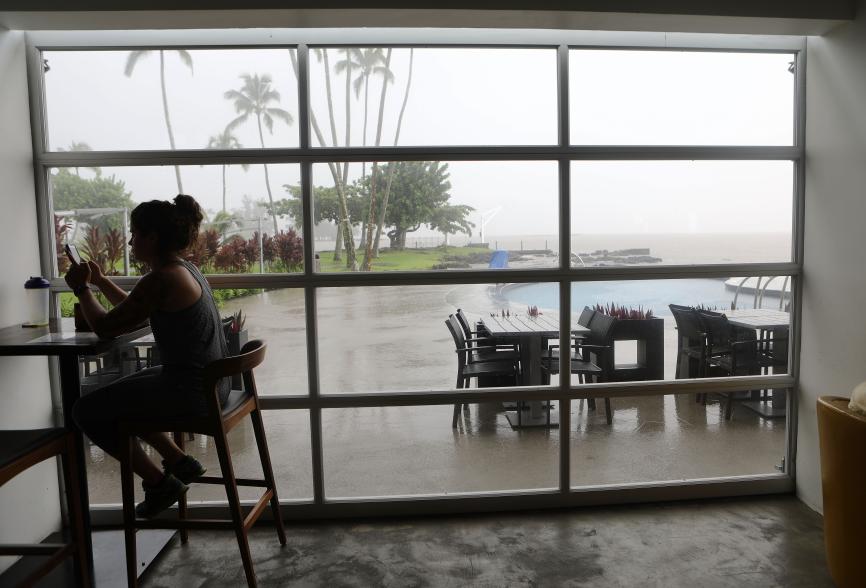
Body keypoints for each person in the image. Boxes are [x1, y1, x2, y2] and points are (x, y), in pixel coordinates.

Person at [67, 194, 230, 518]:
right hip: (210, 385)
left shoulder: (162, 278)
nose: (130, 241)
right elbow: (138, 312)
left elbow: (105, 327)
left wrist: (82, 290)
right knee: (120, 395)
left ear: (152, 238)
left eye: (135, 233)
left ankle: (159, 483)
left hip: (191, 393)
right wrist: (99, 281)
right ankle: (180, 461)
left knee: (86, 410)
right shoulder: (183, 269)